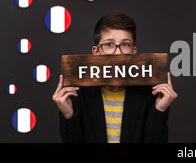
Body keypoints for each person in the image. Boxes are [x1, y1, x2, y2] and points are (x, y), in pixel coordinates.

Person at [52, 13, 177, 143]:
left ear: (134, 51)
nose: (118, 52)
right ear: (96, 52)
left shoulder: (150, 92)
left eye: (125, 44)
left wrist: (159, 111)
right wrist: (68, 115)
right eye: (109, 45)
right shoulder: (79, 93)